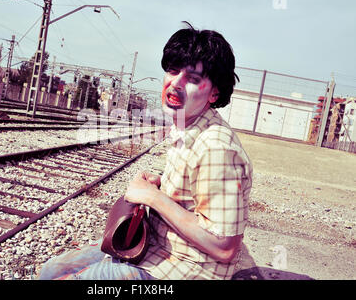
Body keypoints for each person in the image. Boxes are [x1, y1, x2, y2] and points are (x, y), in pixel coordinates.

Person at [38, 22, 252, 280]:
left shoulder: (216, 147)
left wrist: (153, 198)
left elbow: (225, 246)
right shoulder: (188, 127)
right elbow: (198, 193)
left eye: (193, 79)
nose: (176, 84)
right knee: (51, 270)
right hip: (157, 252)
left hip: (184, 271)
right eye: (173, 71)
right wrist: (160, 185)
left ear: (214, 93)